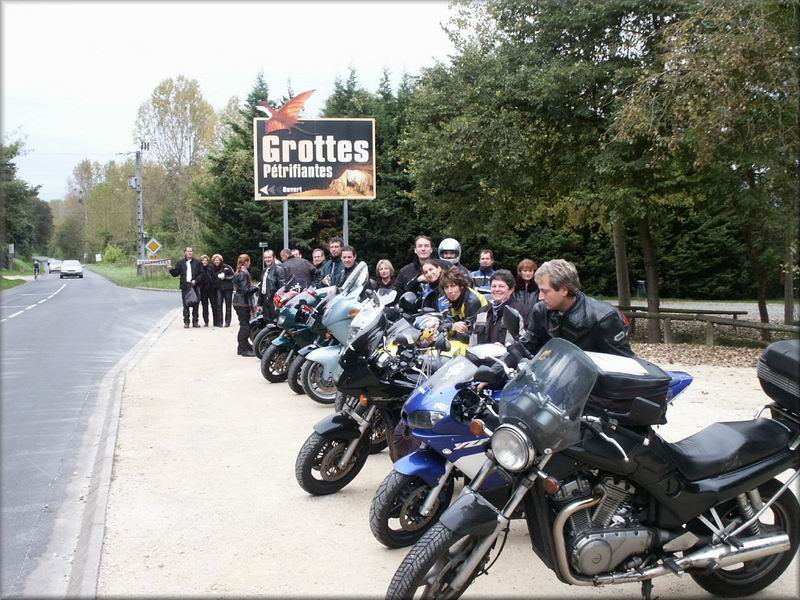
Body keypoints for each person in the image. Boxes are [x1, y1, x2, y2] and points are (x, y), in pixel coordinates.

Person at [520, 259, 633, 357]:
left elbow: (623, 362)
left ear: (564, 290)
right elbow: (528, 345)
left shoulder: (603, 318)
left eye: (545, 291)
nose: (540, 297)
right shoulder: (540, 310)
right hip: (550, 372)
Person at [471, 269, 524, 345]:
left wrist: (507, 348)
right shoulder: (481, 312)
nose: (496, 289)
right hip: (481, 352)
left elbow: (524, 344)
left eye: (501, 286)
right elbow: (472, 342)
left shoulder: (519, 312)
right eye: (494, 286)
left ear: (511, 290)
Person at [439, 267, 487, 344]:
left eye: (453, 286)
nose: (449, 291)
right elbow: (442, 327)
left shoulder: (473, 300)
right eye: (446, 287)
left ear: (461, 286)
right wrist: (453, 326)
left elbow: (468, 335)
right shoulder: (454, 299)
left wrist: (452, 329)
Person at [168, 246, 203, 328]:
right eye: (188, 251)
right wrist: (170, 269)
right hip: (185, 286)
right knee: (186, 305)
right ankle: (186, 322)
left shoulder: (197, 263)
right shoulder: (180, 263)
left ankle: (195, 322)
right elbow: (175, 273)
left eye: (191, 251)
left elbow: (201, 274)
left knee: (195, 304)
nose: (189, 252)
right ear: (185, 252)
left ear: (192, 252)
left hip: (195, 286)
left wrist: (196, 280)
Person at [232, 254, 258, 356]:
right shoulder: (243, 273)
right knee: (245, 326)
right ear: (246, 262)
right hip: (242, 303)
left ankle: (244, 346)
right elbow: (245, 290)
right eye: (249, 261)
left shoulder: (238, 272)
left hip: (238, 302)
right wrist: (256, 288)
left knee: (244, 325)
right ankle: (243, 349)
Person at [259, 249, 287, 320]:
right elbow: (262, 287)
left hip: (274, 301)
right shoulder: (264, 270)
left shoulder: (279, 269)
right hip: (265, 300)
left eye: (269, 257)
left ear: (274, 258)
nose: (267, 259)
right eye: (265, 257)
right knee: (266, 322)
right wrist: (259, 304)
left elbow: (283, 287)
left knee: (274, 322)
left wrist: (279, 302)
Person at [513, 258, 539, 325]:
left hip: (535, 323)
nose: (527, 273)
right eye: (525, 271)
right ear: (520, 272)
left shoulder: (539, 287)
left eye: (530, 271)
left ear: (534, 272)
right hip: (517, 323)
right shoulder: (514, 287)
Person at [211, 254, 234, 327]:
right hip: (218, 289)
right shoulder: (212, 268)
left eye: (218, 260)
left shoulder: (227, 267)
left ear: (220, 260)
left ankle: (227, 322)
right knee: (219, 305)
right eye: (215, 260)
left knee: (228, 306)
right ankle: (220, 322)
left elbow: (233, 276)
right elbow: (212, 278)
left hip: (228, 289)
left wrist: (225, 277)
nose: (216, 261)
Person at [196, 255, 215, 327]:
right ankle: (206, 321)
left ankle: (216, 321)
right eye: (203, 260)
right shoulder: (199, 268)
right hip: (203, 290)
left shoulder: (211, 268)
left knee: (214, 305)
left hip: (211, 289)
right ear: (201, 261)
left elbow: (214, 277)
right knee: (205, 306)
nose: (205, 262)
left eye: (206, 260)